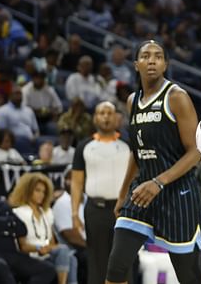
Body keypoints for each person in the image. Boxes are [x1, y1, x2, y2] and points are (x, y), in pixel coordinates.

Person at [105, 40, 201, 284]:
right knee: (116, 268)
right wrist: (123, 194)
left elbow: (196, 151)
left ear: (165, 64)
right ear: (136, 64)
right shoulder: (133, 101)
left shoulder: (177, 97)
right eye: (145, 56)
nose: (152, 60)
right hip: (142, 192)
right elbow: (136, 151)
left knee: (191, 277)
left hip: (178, 193)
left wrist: (159, 182)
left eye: (157, 56)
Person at [71, 101, 131, 284]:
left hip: (124, 210)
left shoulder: (129, 145)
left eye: (109, 113)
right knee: (96, 260)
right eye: (101, 113)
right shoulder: (84, 146)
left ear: (117, 118)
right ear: (95, 118)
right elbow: (76, 182)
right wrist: (74, 213)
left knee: (126, 259)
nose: (106, 116)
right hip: (95, 209)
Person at [0, 168, 56, 284]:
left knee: (47, 269)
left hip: (11, 254)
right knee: (0, 267)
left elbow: (21, 228)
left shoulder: (2, 205)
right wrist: (7, 225)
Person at [9, 172, 79, 284]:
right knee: (65, 252)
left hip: (48, 253)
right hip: (30, 255)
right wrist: (38, 248)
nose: (41, 194)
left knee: (71, 258)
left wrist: (49, 248)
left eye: (44, 192)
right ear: (27, 190)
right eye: (37, 190)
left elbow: (52, 242)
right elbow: (22, 246)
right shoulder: (18, 213)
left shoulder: (47, 213)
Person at [54, 168, 88, 284]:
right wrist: (94, 249)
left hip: (89, 246)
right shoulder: (62, 202)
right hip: (73, 250)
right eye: (71, 178)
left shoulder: (88, 200)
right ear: (65, 181)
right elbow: (71, 236)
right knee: (92, 258)